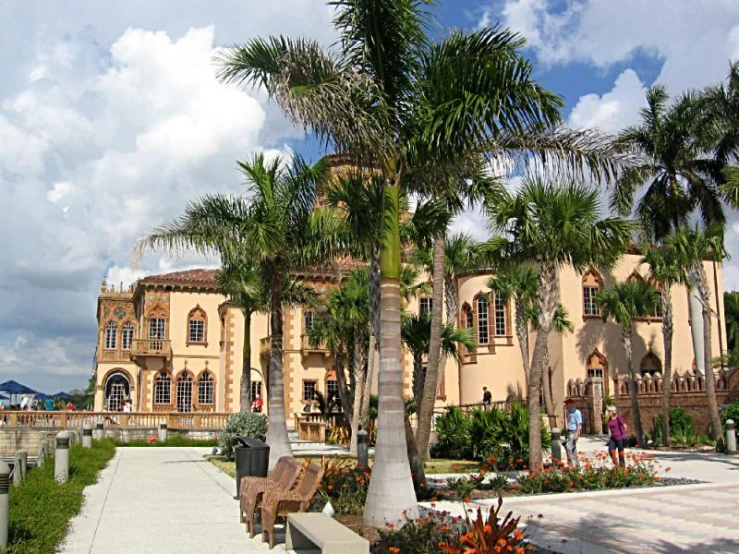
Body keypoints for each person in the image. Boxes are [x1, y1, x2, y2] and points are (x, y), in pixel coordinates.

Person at [564, 398, 582, 468]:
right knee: (573, 450)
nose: (566, 405)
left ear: (571, 404)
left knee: (568, 448)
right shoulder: (570, 412)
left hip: (574, 432)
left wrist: (577, 434)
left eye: (567, 404)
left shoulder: (577, 412)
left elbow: (579, 424)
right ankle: (577, 466)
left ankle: (571, 465)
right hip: (569, 432)